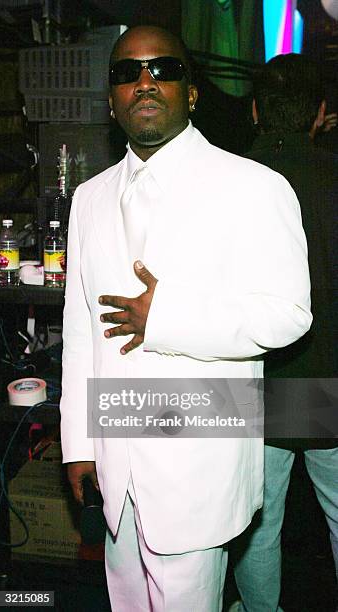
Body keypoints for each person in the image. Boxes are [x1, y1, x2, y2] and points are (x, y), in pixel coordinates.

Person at [60, 27, 312, 611]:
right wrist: (79, 442)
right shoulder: (90, 198)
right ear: (110, 98)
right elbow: (80, 330)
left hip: (199, 463)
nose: (144, 83)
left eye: (162, 69)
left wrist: (168, 316)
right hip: (117, 464)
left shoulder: (253, 187)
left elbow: (289, 315)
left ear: (192, 91)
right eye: (127, 73)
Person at [230, 53, 338, 612]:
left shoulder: (229, 183)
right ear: (321, 113)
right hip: (332, 379)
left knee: (256, 524)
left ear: (253, 111)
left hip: (258, 382)